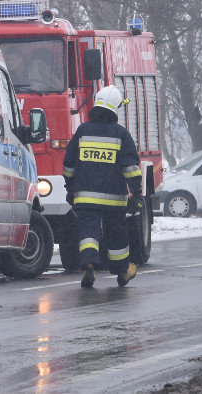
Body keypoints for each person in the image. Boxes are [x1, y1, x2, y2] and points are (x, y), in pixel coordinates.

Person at [63, 85, 142, 288]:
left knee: (88, 229)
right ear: (115, 108)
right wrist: (136, 193)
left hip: (85, 197)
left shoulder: (82, 131)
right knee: (116, 231)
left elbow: (69, 163)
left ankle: (89, 263)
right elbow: (130, 167)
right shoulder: (121, 134)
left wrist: (70, 187)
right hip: (113, 198)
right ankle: (122, 272)